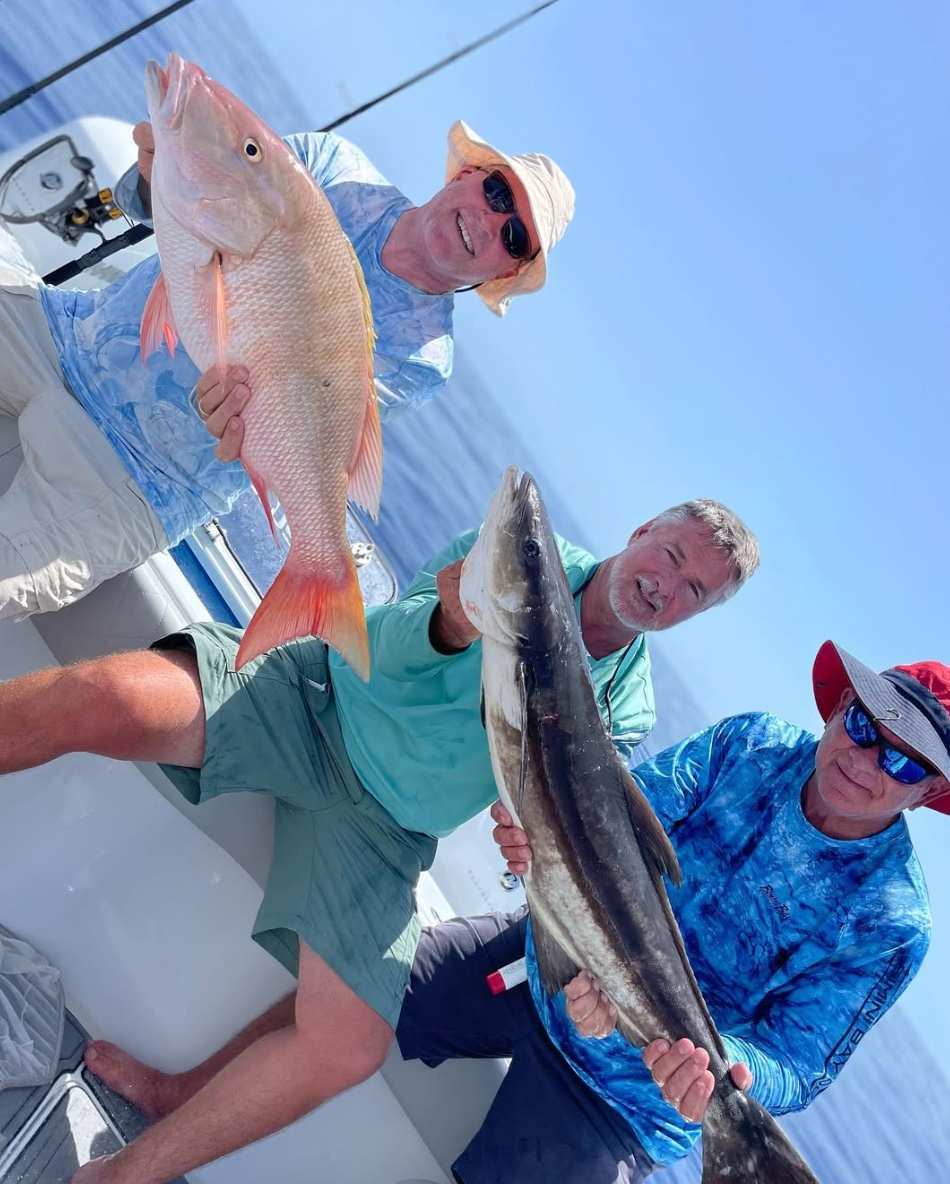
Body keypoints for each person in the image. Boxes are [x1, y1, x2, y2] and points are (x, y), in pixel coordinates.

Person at [0, 497, 758, 1184]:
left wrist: (530, 841)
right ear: (641, 530)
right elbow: (381, 644)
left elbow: (546, 811)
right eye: (671, 554)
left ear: (696, 615)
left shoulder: (627, 703)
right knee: (105, 695)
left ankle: (124, 1174)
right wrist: (450, 623)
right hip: (313, 697)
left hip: (387, 830)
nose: (667, 583)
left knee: (349, 1047)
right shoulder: (522, 556)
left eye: (694, 589)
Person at [394, 641, 948, 1182]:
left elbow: (796, 1064)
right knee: (370, 989)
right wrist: (536, 839)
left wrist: (711, 1068)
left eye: (901, 762)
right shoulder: (752, 742)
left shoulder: (893, 921)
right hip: (540, 961)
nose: (865, 760)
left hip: (624, 1103)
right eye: (864, 725)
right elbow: (609, 821)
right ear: (843, 705)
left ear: (927, 792)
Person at [0, 115, 573, 618]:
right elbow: (156, 210)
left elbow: (287, 429)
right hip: (63, 331)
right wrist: (159, 180)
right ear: (466, 175)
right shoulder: (326, 166)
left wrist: (233, 420)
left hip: (140, 478)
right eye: (498, 192)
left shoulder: (422, 356)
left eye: (514, 236)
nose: (491, 220)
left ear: (505, 274)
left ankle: (317, 589)